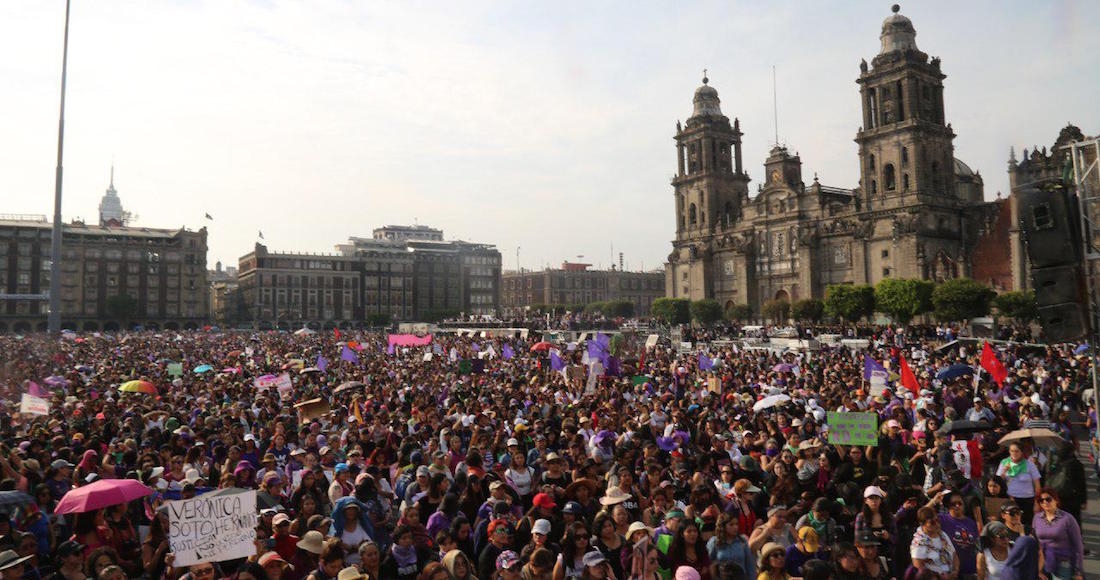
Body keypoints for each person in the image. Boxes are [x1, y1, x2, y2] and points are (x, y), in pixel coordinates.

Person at [1031, 488, 1084, 580]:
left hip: (1063, 562)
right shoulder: (1037, 518)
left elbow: (1078, 545)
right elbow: (1034, 540)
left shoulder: (1067, 519)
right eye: (1041, 500)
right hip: (1042, 562)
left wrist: (1078, 571)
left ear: (1056, 500)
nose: (1045, 502)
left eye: (1048, 499)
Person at [995, 443, 1041, 528]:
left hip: (1028, 500)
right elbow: (996, 483)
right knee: (1011, 525)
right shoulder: (1004, 463)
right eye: (1012, 451)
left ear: (1021, 452)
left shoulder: (1029, 464)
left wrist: (1036, 502)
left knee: (1026, 525)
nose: (1014, 453)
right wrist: (1004, 472)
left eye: (1016, 451)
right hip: (1011, 499)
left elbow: (1037, 485)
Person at [909, 506, 958, 578]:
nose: (937, 524)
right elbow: (919, 569)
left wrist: (955, 571)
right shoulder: (919, 542)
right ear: (922, 524)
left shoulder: (942, 535)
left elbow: (954, 555)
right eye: (932, 522)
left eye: (937, 520)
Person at [706, 513, 753, 579]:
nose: (735, 527)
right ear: (723, 526)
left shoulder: (742, 541)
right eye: (731, 524)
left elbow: (750, 565)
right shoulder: (715, 542)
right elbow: (709, 563)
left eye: (736, 524)